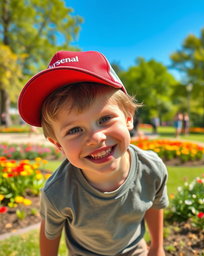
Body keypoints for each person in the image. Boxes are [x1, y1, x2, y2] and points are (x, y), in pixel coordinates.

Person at [18, 51, 169, 256]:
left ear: (128, 118)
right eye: (74, 130)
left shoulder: (151, 169)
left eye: (105, 119)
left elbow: (154, 205)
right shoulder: (57, 192)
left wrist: (157, 248)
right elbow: (50, 233)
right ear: (58, 145)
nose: (96, 137)